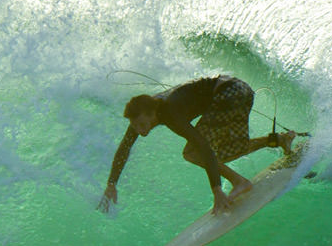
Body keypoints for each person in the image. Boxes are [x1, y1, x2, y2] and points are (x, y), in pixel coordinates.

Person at [99, 76, 295, 215]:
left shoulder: (169, 113)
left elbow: (203, 146)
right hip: (241, 90)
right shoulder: (144, 112)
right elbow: (124, 147)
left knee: (193, 153)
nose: (140, 131)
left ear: (153, 113)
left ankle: (240, 182)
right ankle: (279, 140)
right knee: (229, 152)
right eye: (136, 126)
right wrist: (111, 183)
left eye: (142, 124)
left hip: (229, 94)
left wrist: (216, 190)